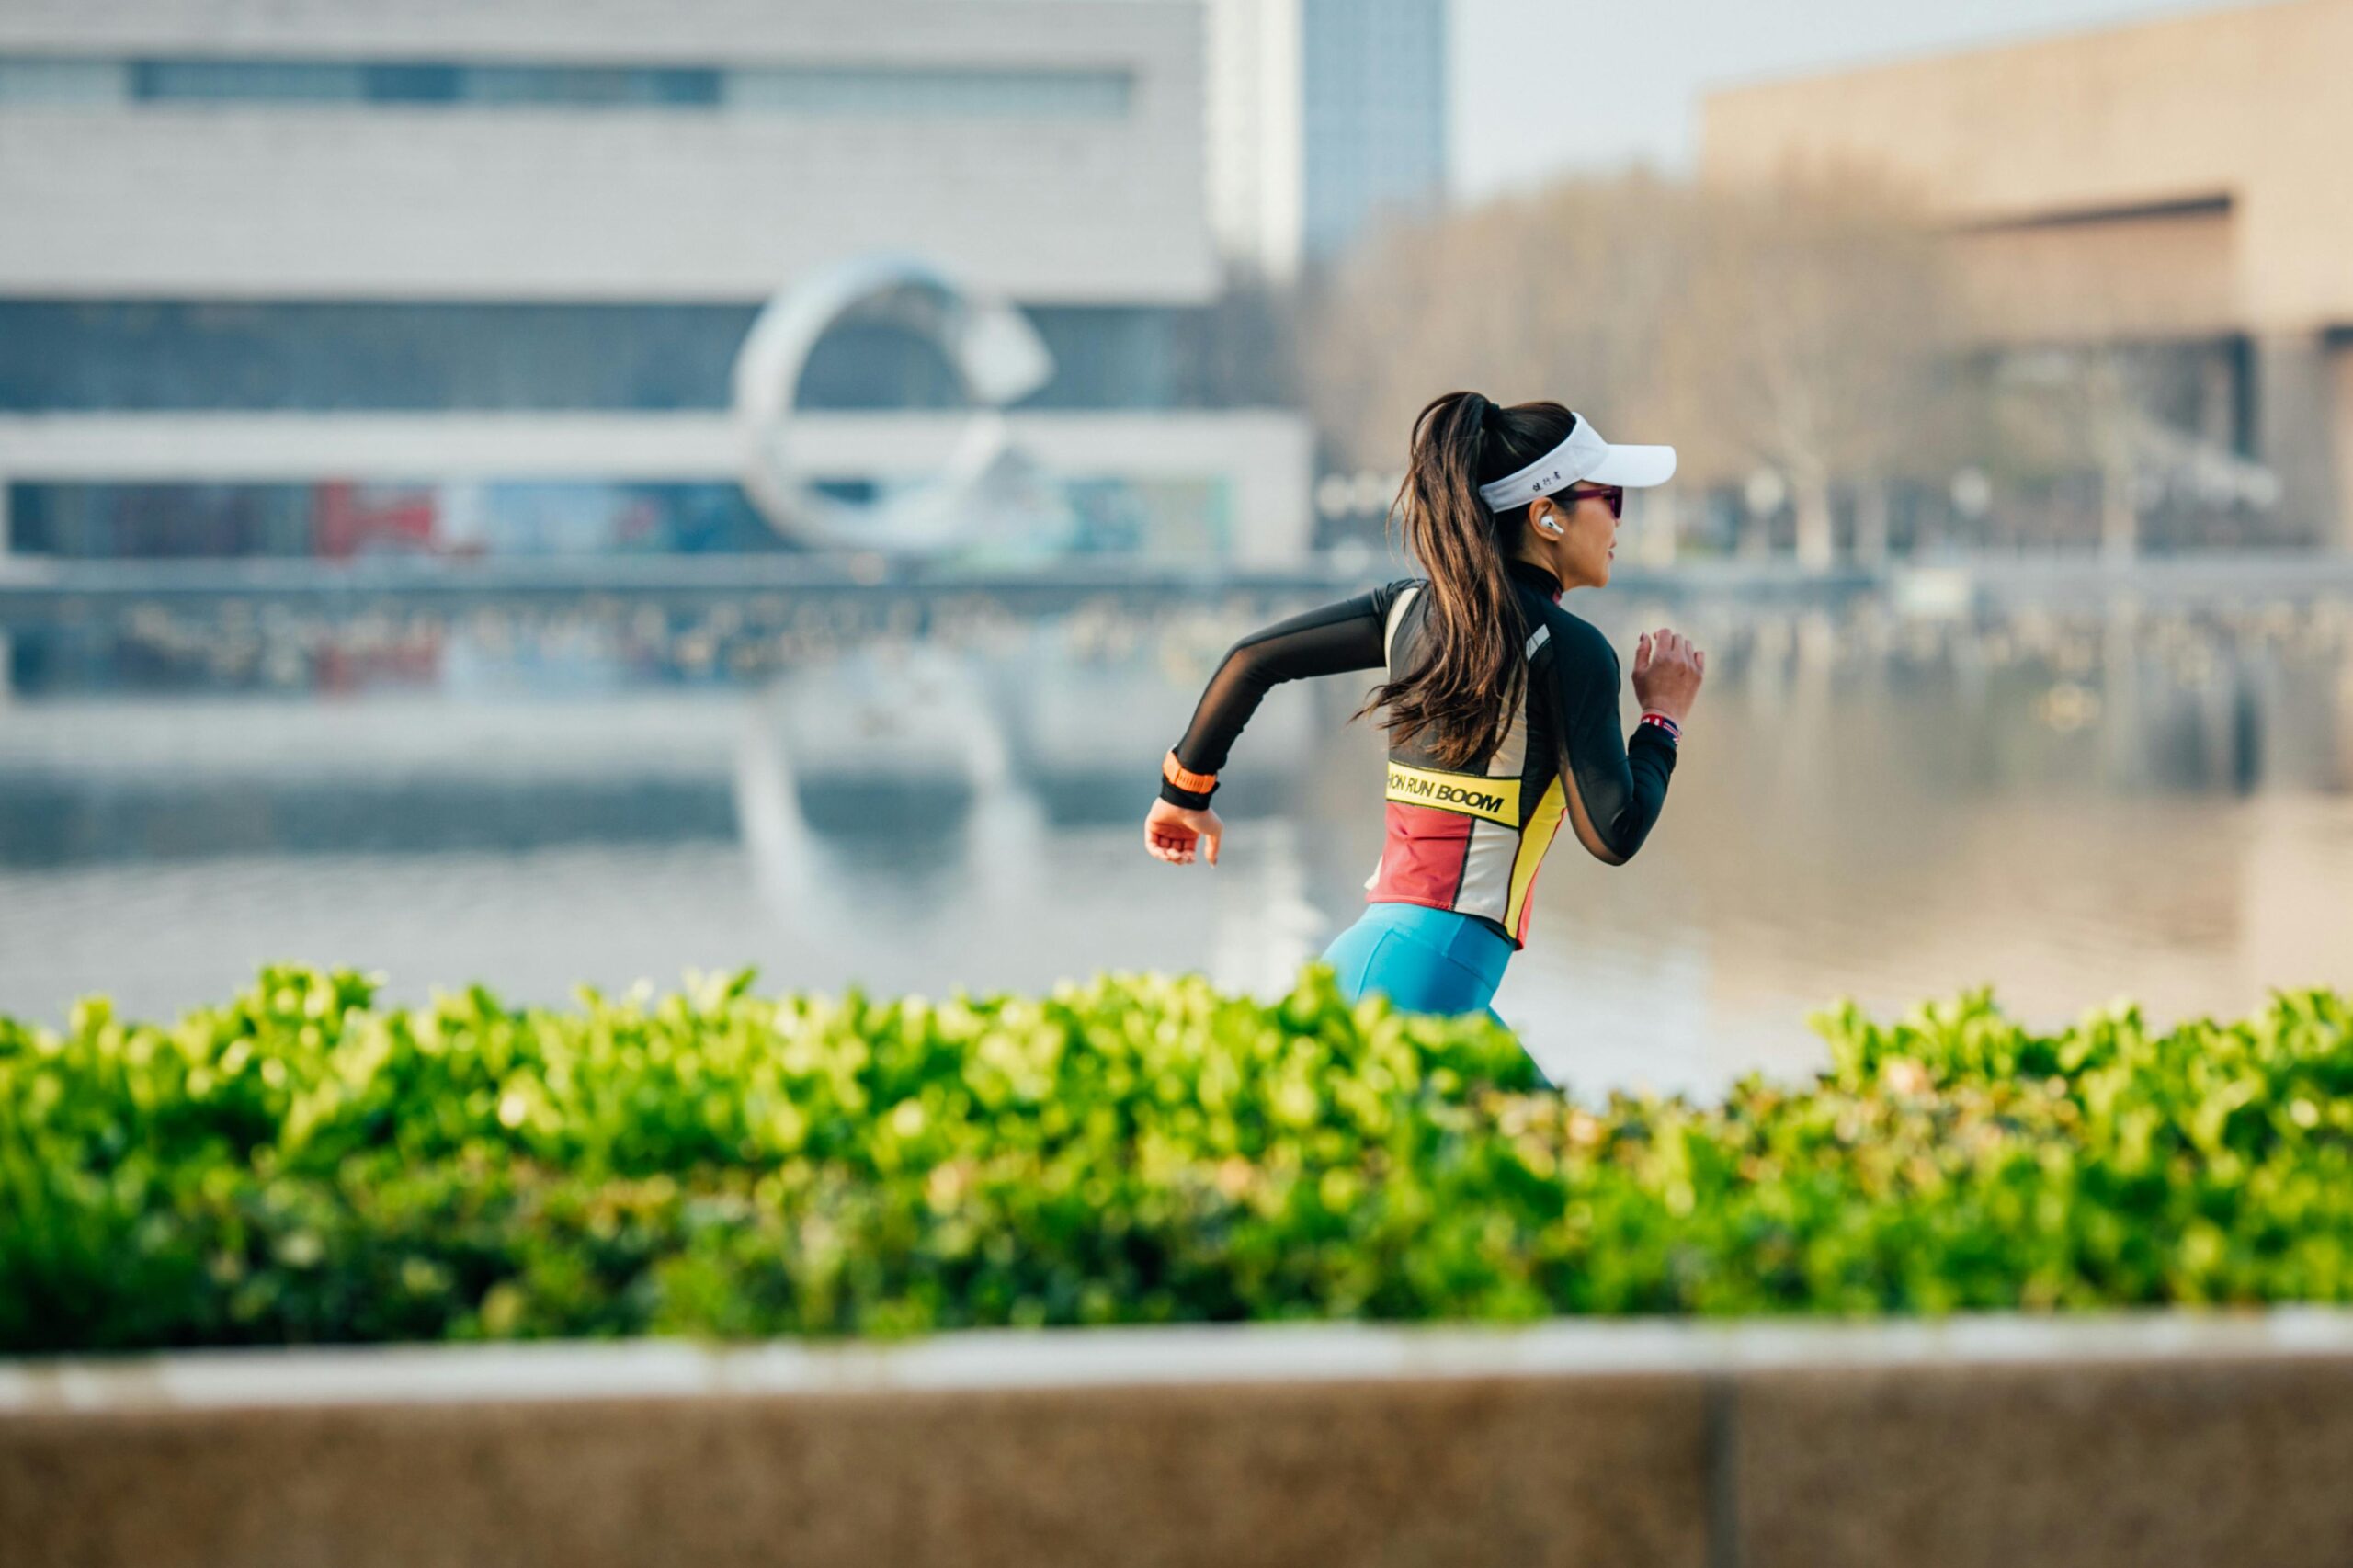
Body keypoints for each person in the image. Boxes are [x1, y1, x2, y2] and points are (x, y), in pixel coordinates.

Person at [1143, 392, 1705, 1035]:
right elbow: (1613, 834)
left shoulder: (1406, 611)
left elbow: (1251, 659)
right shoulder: (1574, 652)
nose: (1619, 523)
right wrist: (1661, 717)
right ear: (1548, 517)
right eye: (1613, 499)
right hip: (1424, 978)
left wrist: (1183, 791)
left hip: (1389, 963)